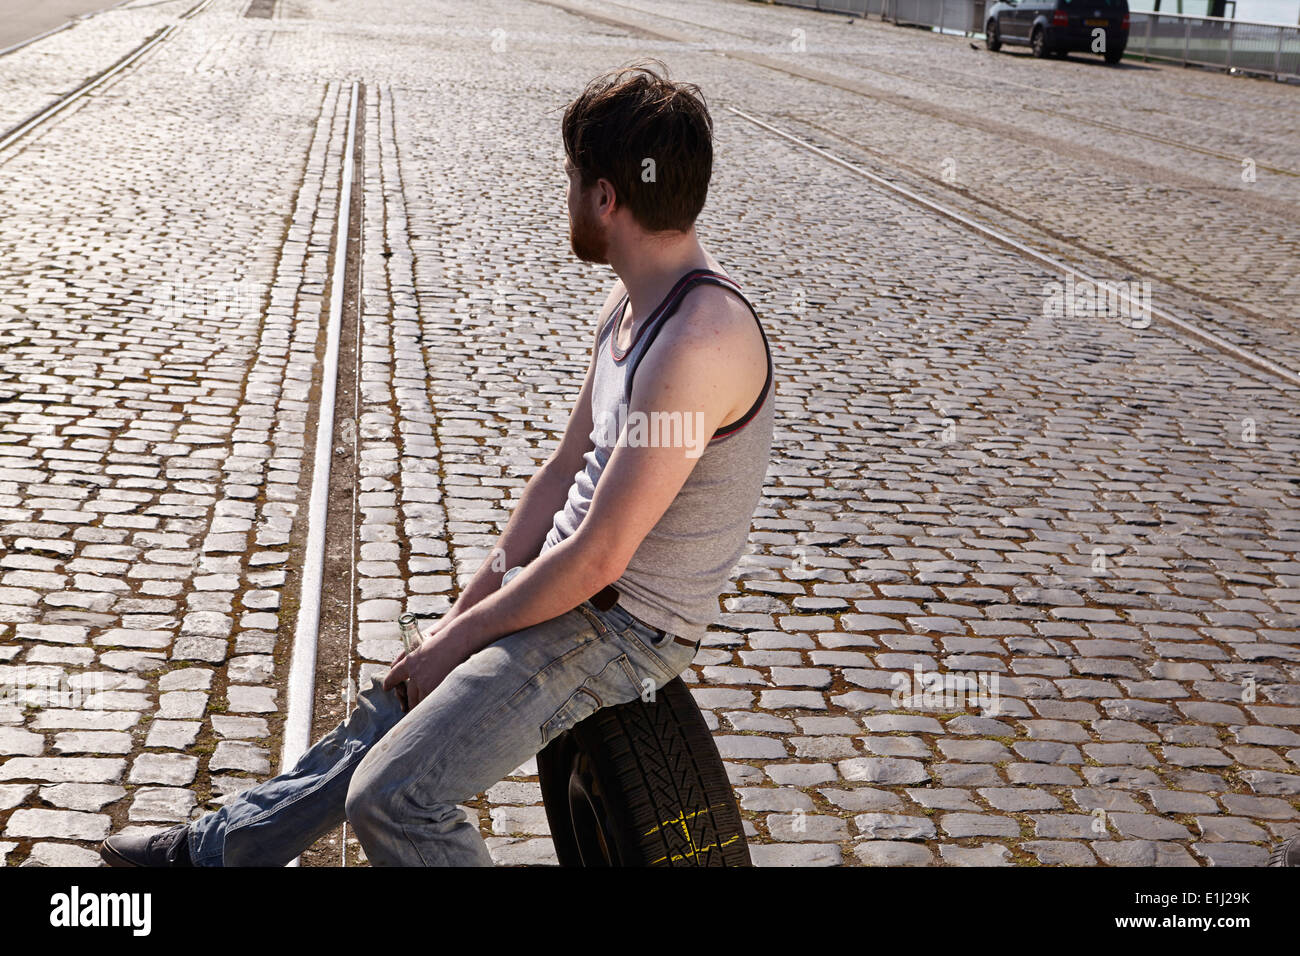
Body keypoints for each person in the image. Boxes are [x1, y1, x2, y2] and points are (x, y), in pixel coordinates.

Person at [99, 59, 775, 867]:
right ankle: (218, 852)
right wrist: (457, 623)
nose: (563, 197)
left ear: (605, 197)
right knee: (389, 702)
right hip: (574, 586)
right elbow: (564, 472)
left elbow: (600, 556)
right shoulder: (632, 304)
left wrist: (461, 639)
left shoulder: (698, 341)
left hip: (624, 625)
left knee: (394, 797)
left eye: (571, 179)